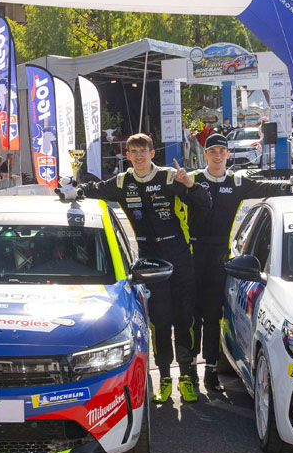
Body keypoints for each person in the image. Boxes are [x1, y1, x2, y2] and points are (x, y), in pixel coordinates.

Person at [72, 133, 211, 403]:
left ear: (152, 153)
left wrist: (190, 185)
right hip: (148, 261)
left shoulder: (170, 177)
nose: (138, 156)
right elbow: (94, 189)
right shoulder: (123, 181)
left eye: (143, 151)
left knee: (185, 318)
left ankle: (187, 376)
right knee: (159, 320)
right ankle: (165, 378)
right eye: (133, 151)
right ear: (127, 155)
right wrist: (73, 191)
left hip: (179, 256)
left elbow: (204, 204)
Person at [188, 133, 293, 394]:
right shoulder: (194, 180)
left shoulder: (237, 180)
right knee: (190, 318)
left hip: (220, 255)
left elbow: (267, 186)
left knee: (212, 316)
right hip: (192, 255)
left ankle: (209, 372)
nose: (218, 156)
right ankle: (188, 375)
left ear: (228, 155)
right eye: (213, 151)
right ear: (205, 155)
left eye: (222, 151)